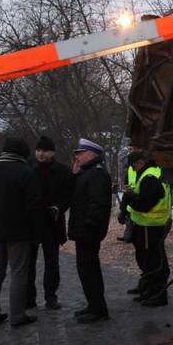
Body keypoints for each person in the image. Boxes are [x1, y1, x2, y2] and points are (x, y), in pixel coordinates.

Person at [0, 136, 44, 328]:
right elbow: (34, 205)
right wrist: (37, 230)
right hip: (19, 232)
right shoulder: (25, 172)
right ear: (23, 153)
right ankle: (17, 314)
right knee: (19, 273)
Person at [68, 138, 112, 323]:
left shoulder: (96, 174)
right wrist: (74, 175)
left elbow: (97, 205)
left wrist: (87, 227)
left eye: (80, 153)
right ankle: (94, 305)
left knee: (88, 270)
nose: (77, 157)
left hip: (88, 232)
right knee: (88, 269)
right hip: (85, 231)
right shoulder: (88, 172)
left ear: (91, 155)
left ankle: (98, 309)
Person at [26, 136, 73, 310]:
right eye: (38, 150)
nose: (40, 154)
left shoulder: (62, 171)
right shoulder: (28, 168)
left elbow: (68, 196)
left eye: (44, 151)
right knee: (29, 263)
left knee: (52, 263)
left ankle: (50, 296)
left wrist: (58, 208)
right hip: (31, 223)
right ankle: (29, 298)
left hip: (52, 222)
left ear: (52, 152)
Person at [119, 150, 171, 306]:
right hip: (145, 224)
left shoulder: (150, 177)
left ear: (140, 163)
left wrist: (129, 197)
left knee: (153, 260)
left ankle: (158, 294)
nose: (133, 170)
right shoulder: (148, 174)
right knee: (147, 258)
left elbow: (145, 204)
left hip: (151, 225)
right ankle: (149, 289)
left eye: (133, 166)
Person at [116, 145, 139, 243]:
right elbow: (128, 177)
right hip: (130, 191)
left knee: (133, 216)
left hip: (136, 192)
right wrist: (125, 184)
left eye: (131, 149)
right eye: (129, 149)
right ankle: (128, 235)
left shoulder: (138, 163)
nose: (129, 151)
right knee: (128, 215)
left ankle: (130, 236)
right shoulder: (130, 165)